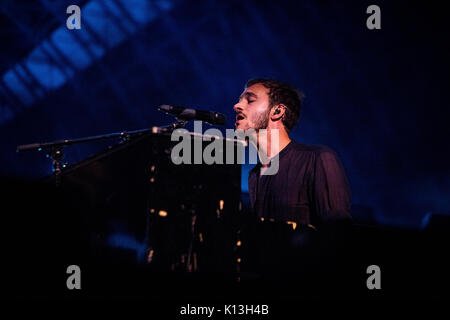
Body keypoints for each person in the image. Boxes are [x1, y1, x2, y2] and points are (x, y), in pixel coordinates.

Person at [234, 79, 353, 295]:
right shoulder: (254, 175)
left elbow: (338, 237)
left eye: (249, 100)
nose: (237, 105)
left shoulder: (318, 158)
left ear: (277, 111)